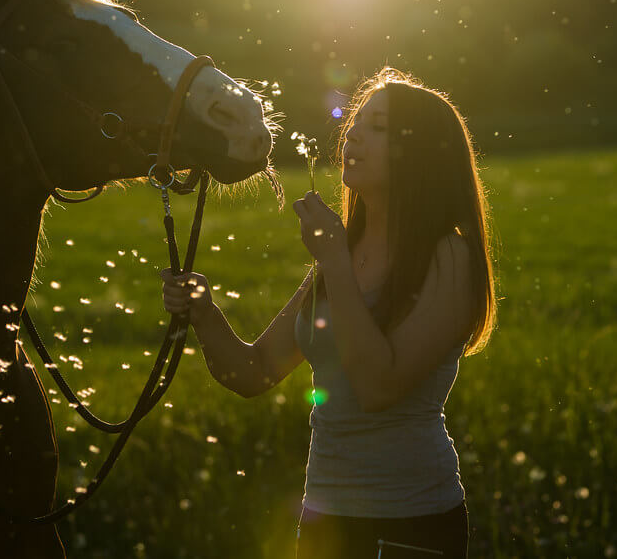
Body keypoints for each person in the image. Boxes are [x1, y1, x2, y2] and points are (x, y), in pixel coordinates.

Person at [161, 67, 496, 558]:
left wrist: (335, 261)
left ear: (419, 153)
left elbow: (378, 387)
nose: (354, 133)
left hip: (409, 524)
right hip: (325, 524)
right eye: (356, 121)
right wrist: (204, 312)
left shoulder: (448, 256)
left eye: (377, 127)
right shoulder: (344, 252)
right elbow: (253, 373)